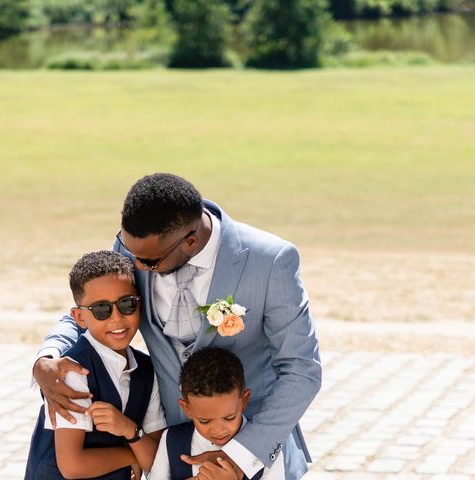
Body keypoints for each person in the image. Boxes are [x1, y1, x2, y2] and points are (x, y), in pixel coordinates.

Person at [33, 173, 322, 480]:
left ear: (191, 240)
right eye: (131, 253)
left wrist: (240, 457)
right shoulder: (137, 248)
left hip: (255, 447)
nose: (137, 266)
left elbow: (302, 370)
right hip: (172, 448)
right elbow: (93, 311)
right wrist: (46, 359)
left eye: (149, 263)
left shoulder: (270, 261)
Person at [24, 250, 167, 480]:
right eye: (102, 309)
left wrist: (129, 430)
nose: (117, 317)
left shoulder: (147, 370)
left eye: (127, 304)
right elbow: (72, 466)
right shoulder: (73, 370)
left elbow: (156, 460)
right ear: (79, 318)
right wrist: (130, 455)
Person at [149, 347, 283, 480]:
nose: (219, 430)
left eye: (229, 417)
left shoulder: (266, 446)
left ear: (244, 400)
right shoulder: (172, 440)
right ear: (187, 409)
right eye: (205, 421)